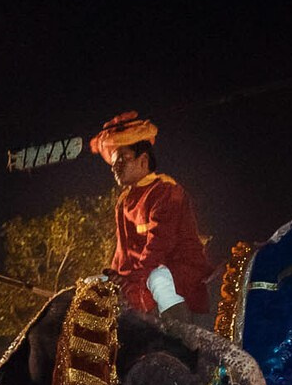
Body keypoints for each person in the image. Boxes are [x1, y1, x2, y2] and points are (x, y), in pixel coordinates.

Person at [88, 112, 214, 324]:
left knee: (159, 279)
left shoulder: (166, 191)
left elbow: (160, 244)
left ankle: (184, 342)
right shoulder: (123, 201)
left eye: (121, 161)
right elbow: (123, 253)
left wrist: (136, 279)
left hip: (176, 269)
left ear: (143, 160)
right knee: (91, 286)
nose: (115, 169)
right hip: (139, 273)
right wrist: (115, 275)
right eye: (113, 165)